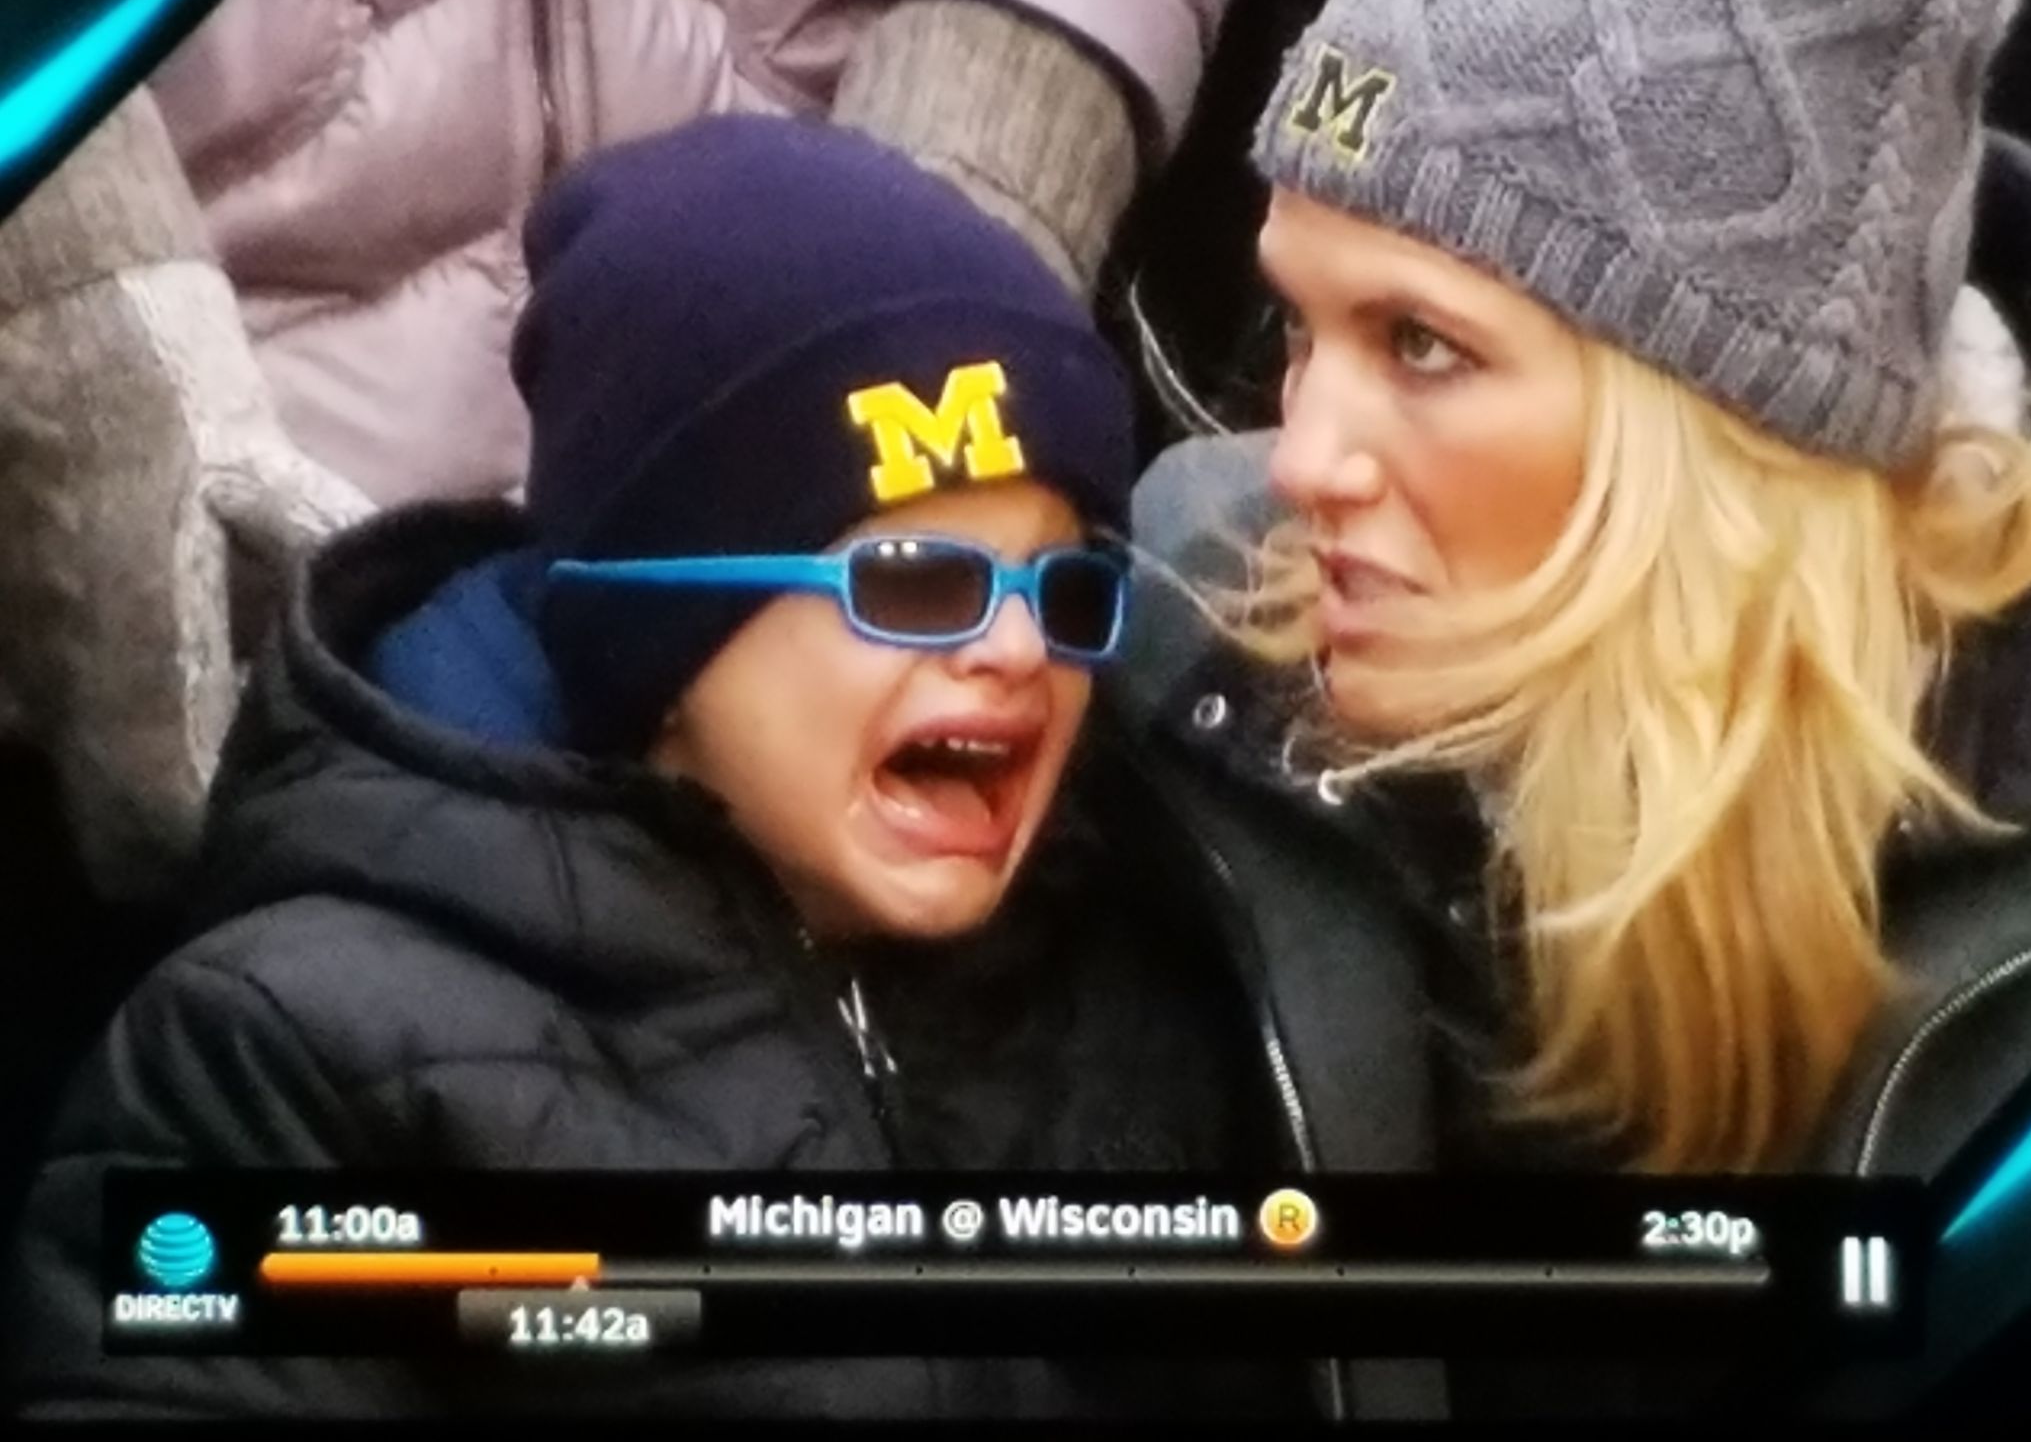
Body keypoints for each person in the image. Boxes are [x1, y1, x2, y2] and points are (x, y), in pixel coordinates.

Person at [2, 115, 1303, 1420]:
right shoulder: (285, 1053)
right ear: (660, 633)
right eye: (916, 580)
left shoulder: (1137, 966)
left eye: (1066, 582)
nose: (1018, 645)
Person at [1100, 0, 2031, 1414]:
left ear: (1722, 432)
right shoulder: (1182, 655)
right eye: (1300, 327)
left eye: (1420, 344)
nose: (1299, 462)